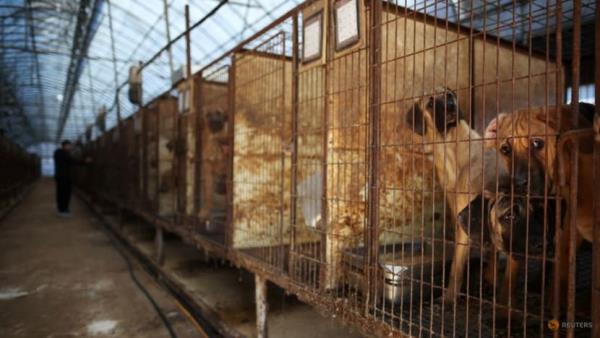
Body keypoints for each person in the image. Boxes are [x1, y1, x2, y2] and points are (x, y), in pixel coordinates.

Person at [53, 140, 89, 216]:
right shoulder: (60, 152)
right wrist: (84, 162)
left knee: (66, 193)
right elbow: (71, 160)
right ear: (65, 145)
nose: (71, 147)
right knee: (63, 193)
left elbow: (71, 160)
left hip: (64, 176)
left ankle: (63, 209)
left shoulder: (63, 153)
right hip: (62, 177)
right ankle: (63, 210)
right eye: (70, 145)